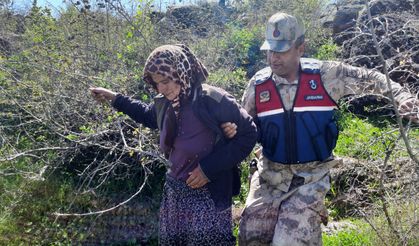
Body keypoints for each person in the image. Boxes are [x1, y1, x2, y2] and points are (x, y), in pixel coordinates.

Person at [237, 12, 419, 246]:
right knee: (250, 236)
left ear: (301, 48)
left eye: (281, 51)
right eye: (270, 51)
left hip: (311, 176)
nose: (274, 58)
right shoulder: (258, 84)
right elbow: (243, 126)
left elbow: (370, 77)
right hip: (270, 175)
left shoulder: (325, 75)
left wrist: (403, 96)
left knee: (288, 242)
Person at [90, 44, 257, 245]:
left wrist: (207, 169)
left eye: (166, 81)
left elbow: (249, 134)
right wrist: (115, 98)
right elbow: (148, 115)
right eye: (156, 82)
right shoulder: (165, 103)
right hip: (175, 193)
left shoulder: (212, 100)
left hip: (209, 194)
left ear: (181, 73)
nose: (161, 88)